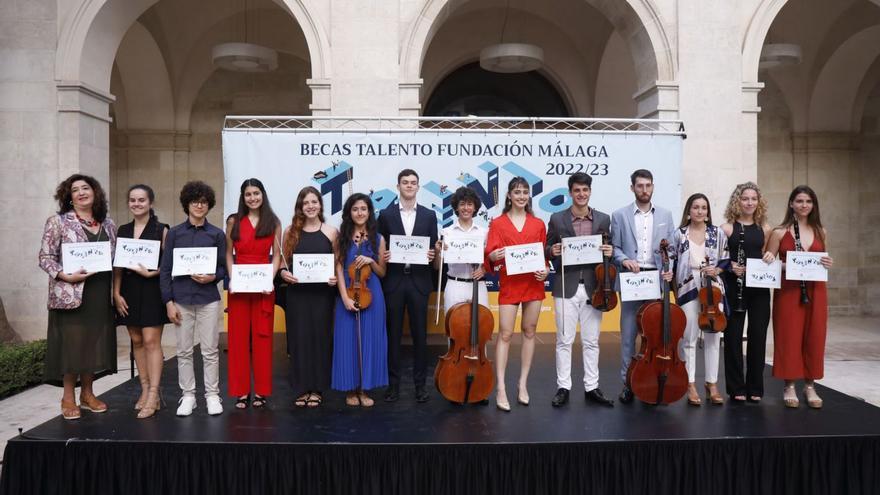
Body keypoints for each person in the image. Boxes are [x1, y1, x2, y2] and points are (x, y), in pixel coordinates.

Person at [39, 174, 118, 420]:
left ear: (95, 193)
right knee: (72, 346)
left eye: (86, 188)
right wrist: (64, 275)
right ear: (69, 197)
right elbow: (45, 258)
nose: (82, 192)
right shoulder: (58, 222)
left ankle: (88, 393)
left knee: (92, 344)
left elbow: (115, 259)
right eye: (75, 190)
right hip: (71, 293)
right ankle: (68, 397)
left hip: (100, 293)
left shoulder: (108, 224)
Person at [545, 172, 614, 408]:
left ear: (590, 192)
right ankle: (563, 386)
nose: (581, 194)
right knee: (564, 340)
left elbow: (610, 248)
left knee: (592, 341)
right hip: (566, 286)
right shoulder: (557, 219)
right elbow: (547, 247)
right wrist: (551, 251)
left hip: (595, 288)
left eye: (585, 190)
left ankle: (591, 387)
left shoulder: (604, 219)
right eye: (577, 190)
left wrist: (609, 251)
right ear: (570, 193)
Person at [160, 181, 227, 417]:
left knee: (210, 351)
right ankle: (188, 395)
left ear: (209, 205)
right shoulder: (175, 234)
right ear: (187, 204)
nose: (199, 205)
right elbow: (165, 269)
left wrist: (213, 277)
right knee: (184, 350)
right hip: (181, 299)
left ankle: (212, 395)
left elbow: (224, 269)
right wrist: (168, 301)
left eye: (204, 202)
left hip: (208, 299)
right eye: (195, 201)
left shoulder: (217, 234)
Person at [763, 185, 833, 409]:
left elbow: (823, 258)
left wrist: (828, 262)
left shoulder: (821, 230)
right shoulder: (779, 232)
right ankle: (789, 384)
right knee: (789, 336)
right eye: (800, 201)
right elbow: (769, 263)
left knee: (815, 335)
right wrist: (772, 260)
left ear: (814, 205)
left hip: (816, 290)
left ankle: (810, 384)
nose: (804, 205)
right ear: (791, 203)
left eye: (808, 202)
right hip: (789, 291)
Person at [610, 169, 675, 404]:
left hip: (656, 281)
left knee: (654, 337)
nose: (644, 190)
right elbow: (614, 248)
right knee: (628, 336)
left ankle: (649, 382)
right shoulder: (619, 215)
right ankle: (627, 384)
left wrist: (670, 267)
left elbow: (673, 249)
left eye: (648, 185)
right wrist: (623, 259)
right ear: (632, 188)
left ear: (653, 187)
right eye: (640, 186)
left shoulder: (666, 215)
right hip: (631, 279)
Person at [485, 177, 549, 411]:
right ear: (509, 196)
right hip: (510, 284)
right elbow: (491, 254)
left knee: (530, 331)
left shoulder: (538, 224)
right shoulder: (498, 223)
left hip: (533, 284)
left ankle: (522, 384)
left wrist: (544, 270)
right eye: (517, 192)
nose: (521, 196)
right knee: (504, 333)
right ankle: (501, 387)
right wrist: (492, 257)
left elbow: (544, 255)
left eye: (525, 192)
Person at [377, 169, 438, 403]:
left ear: (418, 187)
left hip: (419, 282)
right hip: (393, 281)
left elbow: (433, 249)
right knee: (392, 336)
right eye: (405, 182)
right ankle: (393, 386)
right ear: (398, 186)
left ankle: (420, 386)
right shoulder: (385, 214)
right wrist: (386, 254)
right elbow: (379, 245)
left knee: (420, 337)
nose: (409, 186)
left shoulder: (429, 215)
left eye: (413, 182)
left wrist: (433, 254)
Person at [113, 184, 170, 419]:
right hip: (128, 289)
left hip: (151, 288)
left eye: (141, 200)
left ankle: (155, 394)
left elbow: (168, 265)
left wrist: (152, 273)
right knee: (136, 339)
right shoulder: (123, 230)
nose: (137, 204)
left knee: (150, 340)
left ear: (151, 203)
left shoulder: (162, 229)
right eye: (133, 200)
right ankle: (145, 389)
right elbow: (117, 265)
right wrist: (116, 294)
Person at [225, 178, 281, 409]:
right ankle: (240, 391)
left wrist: (270, 278)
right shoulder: (233, 221)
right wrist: (232, 280)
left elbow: (277, 255)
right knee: (237, 339)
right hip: (239, 286)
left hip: (263, 285)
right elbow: (228, 254)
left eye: (256, 193)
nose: (252, 198)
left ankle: (261, 391)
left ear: (262, 194)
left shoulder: (274, 221)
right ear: (243, 197)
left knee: (262, 338)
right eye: (248, 194)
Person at [280, 186, 338, 408]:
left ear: (320, 205)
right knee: (299, 340)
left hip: (322, 295)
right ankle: (301, 388)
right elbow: (283, 265)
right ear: (300, 207)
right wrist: (284, 273)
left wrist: (334, 278)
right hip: (297, 295)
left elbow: (338, 264)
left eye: (314, 202)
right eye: (306, 203)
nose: (311, 206)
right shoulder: (290, 232)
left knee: (321, 340)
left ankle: (317, 388)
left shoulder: (331, 232)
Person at [670, 193, 729, 406]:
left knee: (714, 336)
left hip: (712, 289)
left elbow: (726, 259)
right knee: (689, 337)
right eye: (696, 207)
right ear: (689, 210)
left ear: (708, 212)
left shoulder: (718, 233)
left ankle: (711, 383)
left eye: (704, 208)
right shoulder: (679, 234)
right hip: (687, 287)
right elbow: (671, 261)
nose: (700, 211)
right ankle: (690, 383)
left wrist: (718, 269)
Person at [332, 193, 389, 407]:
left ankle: (365, 389)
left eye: (363, 209)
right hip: (347, 291)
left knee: (369, 340)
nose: (359, 213)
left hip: (372, 293)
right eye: (355, 209)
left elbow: (382, 272)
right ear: (349, 212)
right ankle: (350, 389)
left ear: (369, 212)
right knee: (348, 341)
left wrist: (371, 260)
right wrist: (344, 297)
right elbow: (338, 268)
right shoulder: (341, 238)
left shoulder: (379, 239)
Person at [720, 182, 772, 403]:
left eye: (753, 198)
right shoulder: (726, 228)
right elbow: (718, 260)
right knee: (732, 338)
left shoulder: (766, 229)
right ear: (737, 201)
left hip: (759, 288)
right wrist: (731, 265)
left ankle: (755, 387)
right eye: (745, 198)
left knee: (758, 337)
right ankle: (736, 387)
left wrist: (770, 257)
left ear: (758, 202)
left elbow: (769, 256)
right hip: (734, 287)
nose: (749, 202)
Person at [434, 186, 488, 314]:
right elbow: (437, 266)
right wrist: (437, 251)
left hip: (478, 285)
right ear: (456, 207)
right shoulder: (446, 232)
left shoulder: (484, 233)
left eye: (470, 204)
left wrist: (484, 269)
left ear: (475, 208)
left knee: (481, 327)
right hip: (454, 285)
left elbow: (490, 260)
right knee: (454, 328)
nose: (466, 208)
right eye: (462, 204)